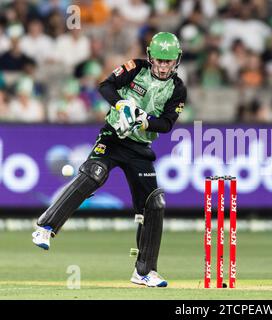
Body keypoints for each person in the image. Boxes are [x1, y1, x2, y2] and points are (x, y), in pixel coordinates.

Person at [31, 32, 187, 288]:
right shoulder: (135, 68)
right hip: (113, 137)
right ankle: (46, 227)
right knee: (94, 173)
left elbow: (167, 124)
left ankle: (144, 271)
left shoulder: (178, 89)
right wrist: (122, 105)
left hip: (140, 148)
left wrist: (144, 120)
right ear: (150, 57)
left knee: (155, 203)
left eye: (168, 62)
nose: (162, 66)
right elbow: (105, 86)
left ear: (176, 61)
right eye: (158, 60)